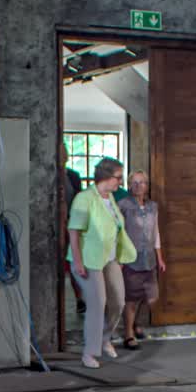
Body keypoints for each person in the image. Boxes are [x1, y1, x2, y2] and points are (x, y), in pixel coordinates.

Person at [67, 157, 136, 369]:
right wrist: (78, 261)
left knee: (118, 302)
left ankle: (105, 338)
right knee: (98, 304)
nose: (120, 182)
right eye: (118, 177)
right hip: (88, 260)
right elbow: (74, 230)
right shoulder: (84, 198)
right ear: (105, 176)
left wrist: (119, 255)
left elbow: (115, 228)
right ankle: (89, 353)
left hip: (110, 258)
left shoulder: (110, 198)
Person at [117, 170, 165, 349]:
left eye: (142, 182)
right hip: (131, 258)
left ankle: (136, 324)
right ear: (129, 185)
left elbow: (156, 232)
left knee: (149, 296)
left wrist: (160, 257)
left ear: (147, 185)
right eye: (135, 182)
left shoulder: (153, 206)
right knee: (131, 298)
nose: (138, 186)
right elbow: (117, 233)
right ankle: (128, 334)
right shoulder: (123, 205)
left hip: (149, 258)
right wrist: (118, 257)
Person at [59, 144, 86, 315]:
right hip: (56, 226)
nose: (63, 155)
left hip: (72, 225)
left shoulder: (73, 176)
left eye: (64, 151)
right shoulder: (50, 175)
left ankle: (80, 298)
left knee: (75, 261)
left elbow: (79, 201)